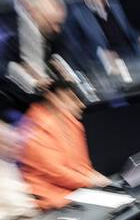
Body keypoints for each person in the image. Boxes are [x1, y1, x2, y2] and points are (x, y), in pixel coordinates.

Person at [18, 82, 108, 210]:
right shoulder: (32, 127)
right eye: (71, 98)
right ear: (52, 97)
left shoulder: (72, 123)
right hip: (51, 200)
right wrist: (89, 181)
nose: (81, 105)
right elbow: (53, 171)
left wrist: (93, 177)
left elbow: (82, 165)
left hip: (79, 192)